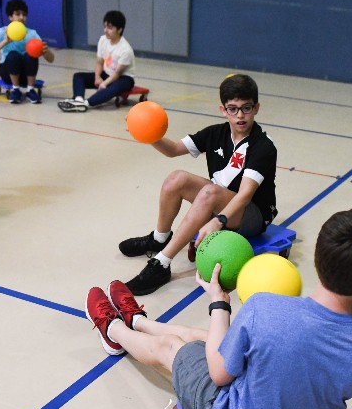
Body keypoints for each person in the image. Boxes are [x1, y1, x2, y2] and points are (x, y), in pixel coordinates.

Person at [84, 207, 352, 409]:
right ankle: (140, 322)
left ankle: (113, 331)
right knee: (208, 339)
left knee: (172, 348)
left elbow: (220, 374)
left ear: (319, 260)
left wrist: (219, 304)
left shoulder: (265, 308)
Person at [118, 74, 277, 295]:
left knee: (210, 192)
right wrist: (147, 134)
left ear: (256, 108)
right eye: (233, 109)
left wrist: (219, 221)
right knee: (177, 179)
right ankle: (159, 239)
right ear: (223, 110)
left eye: (246, 108)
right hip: (219, 202)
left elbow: (245, 195)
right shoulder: (215, 133)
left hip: (251, 214)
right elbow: (173, 150)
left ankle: (161, 264)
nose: (240, 115)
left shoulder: (263, 146)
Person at [57, 10, 135, 112]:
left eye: (110, 28)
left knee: (113, 88)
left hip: (123, 78)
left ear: (119, 29)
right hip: (107, 74)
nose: (106, 30)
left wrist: (104, 83)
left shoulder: (125, 49)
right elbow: (99, 62)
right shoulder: (103, 40)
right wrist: (97, 77)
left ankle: (86, 103)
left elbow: (117, 73)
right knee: (78, 76)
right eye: (105, 26)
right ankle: (78, 100)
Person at [0, 0, 55, 104]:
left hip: (26, 74)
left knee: (30, 55)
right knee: (13, 55)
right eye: (18, 14)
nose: (21, 17)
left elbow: (51, 59)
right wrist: (4, 42)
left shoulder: (32, 34)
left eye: (24, 14)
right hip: (7, 73)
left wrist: (46, 51)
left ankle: (30, 90)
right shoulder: (3, 31)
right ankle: (15, 89)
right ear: (10, 17)